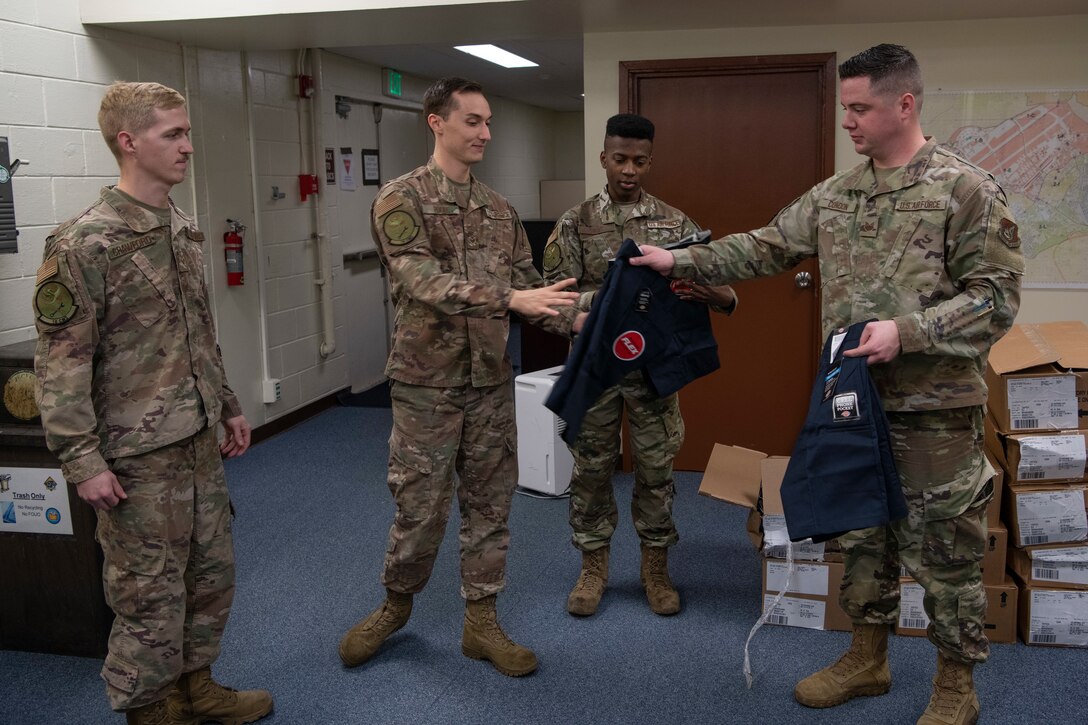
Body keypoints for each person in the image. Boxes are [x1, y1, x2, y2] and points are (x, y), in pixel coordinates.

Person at [632, 44, 1022, 724]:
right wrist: (679, 258)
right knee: (863, 537)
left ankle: (956, 683)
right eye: (844, 108)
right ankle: (867, 657)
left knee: (945, 553)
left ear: (905, 104)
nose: (848, 121)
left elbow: (997, 299)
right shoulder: (837, 195)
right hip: (854, 405)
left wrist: (910, 330)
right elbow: (764, 245)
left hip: (934, 410)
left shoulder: (965, 191)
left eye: (860, 107)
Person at [33, 82, 272, 725]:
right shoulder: (84, 242)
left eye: (187, 133)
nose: (189, 147)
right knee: (146, 591)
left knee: (209, 575)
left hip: (196, 439)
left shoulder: (182, 228)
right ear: (128, 141)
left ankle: (196, 684)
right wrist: (82, 460)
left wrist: (227, 405)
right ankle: (150, 705)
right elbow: (61, 364)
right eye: (174, 134)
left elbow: (199, 332)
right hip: (135, 455)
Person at [338, 77, 578, 678]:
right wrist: (513, 300)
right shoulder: (401, 201)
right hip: (428, 386)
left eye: (489, 122)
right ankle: (395, 606)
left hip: (490, 383)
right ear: (436, 122)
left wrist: (606, 313)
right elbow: (424, 282)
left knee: (490, 505)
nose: (486, 134)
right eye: (472, 121)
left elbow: (537, 291)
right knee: (420, 509)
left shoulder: (500, 211)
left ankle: (482, 621)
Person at [542, 113, 737, 617]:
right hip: (596, 371)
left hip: (653, 373)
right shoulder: (574, 223)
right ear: (604, 158)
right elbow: (551, 302)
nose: (630, 170)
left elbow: (721, 287)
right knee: (590, 470)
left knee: (656, 471)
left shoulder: (675, 225)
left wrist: (710, 293)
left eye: (640, 161)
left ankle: (656, 568)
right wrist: (606, 304)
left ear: (651, 161)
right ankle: (593, 568)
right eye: (620, 159)